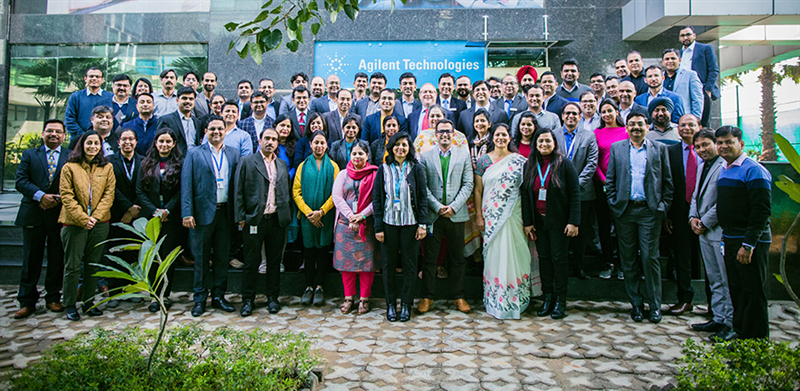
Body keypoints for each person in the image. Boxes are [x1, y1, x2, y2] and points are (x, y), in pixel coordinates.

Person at [606, 112, 673, 324]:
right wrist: (615, 204)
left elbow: (668, 182)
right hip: (625, 211)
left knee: (649, 258)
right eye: (632, 124)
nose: (636, 127)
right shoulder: (617, 148)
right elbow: (610, 180)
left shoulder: (659, 149)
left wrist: (662, 208)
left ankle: (654, 306)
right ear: (626, 128)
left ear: (647, 126)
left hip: (649, 212)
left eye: (640, 124)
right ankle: (636, 304)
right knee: (628, 259)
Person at [715, 125, 772, 340]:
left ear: (741, 143)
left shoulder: (754, 170)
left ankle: (756, 342)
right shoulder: (726, 168)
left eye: (728, 142)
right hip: (730, 239)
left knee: (754, 293)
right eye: (719, 142)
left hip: (748, 243)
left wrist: (748, 244)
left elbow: (761, 210)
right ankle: (740, 333)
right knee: (737, 291)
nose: (723, 146)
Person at [181, 115, 241, 317]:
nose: (216, 132)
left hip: (225, 212)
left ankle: (218, 296)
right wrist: (187, 212)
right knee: (201, 258)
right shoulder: (194, 153)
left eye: (220, 128)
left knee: (222, 257)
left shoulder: (234, 153)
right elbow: (186, 184)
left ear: (225, 131)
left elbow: (237, 186)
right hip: (201, 214)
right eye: (212, 129)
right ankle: (199, 299)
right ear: (205, 131)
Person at [13, 120, 70, 319]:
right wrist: (41, 196)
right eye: (50, 131)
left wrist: (58, 199)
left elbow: (75, 183)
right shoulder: (30, 155)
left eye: (58, 132)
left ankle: (53, 297)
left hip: (59, 214)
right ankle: (27, 301)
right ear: (43, 133)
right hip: (33, 212)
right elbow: (21, 181)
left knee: (57, 258)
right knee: (31, 258)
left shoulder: (69, 156)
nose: (54, 134)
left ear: (64, 136)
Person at [522, 128, 580, 319]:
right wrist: (528, 222)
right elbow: (525, 195)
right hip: (539, 222)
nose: (544, 145)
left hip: (560, 222)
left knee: (559, 259)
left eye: (548, 141)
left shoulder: (565, 165)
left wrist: (573, 222)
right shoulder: (530, 165)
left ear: (554, 143)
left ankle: (560, 301)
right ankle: (548, 298)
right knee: (544, 259)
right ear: (535, 145)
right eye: (540, 142)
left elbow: (575, 194)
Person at [473, 124, 530, 320]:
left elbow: (525, 191)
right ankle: (495, 299)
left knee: (515, 252)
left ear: (509, 138)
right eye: (497, 135)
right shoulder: (483, 161)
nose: (500, 138)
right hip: (491, 216)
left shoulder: (519, 161)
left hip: (513, 214)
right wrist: (479, 216)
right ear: (492, 137)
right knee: (495, 255)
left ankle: (515, 298)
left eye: (504, 135)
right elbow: (478, 191)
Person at [418, 119, 474, 314]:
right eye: (440, 131)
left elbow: (468, 184)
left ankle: (459, 296)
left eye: (448, 131)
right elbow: (422, 186)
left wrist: (453, 206)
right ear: (435, 135)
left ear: (453, 134)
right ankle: (427, 297)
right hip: (434, 215)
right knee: (430, 258)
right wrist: (438, 206)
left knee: (458, 258)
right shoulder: (425, 157)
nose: (444, 134)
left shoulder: (463, 155)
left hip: (456, 214)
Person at [235, 127, 293, 316]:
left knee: (274, 261)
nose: (270, 142)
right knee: (251, 261)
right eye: (266, 138)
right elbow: (238, 192)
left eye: (274, 139)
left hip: (276, 219)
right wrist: (241, 218)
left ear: (278, 143)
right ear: (259, 141)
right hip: (254, 220)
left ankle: (272, 298)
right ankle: (248, 300)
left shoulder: (282, 164)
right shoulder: (247, 162)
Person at [59, 130, 116, 321]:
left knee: (93, 265)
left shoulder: (106, 167)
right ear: (82, 145)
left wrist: (96, 217)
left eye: (96, 144)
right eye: (89, 143)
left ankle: (89, 302)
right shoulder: (69, 167)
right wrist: (83, 218)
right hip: (74, 222)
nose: (92, 147)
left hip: (100, 223)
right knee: (72, 266)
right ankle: (69, 304)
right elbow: (66, 196)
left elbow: (109, 195)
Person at [373, 132, 427, 322]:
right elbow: (377, 199)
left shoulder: (416, 168)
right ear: (391, 147)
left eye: (404, 145)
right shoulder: (383, 169)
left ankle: (406, 304)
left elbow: (422, 198)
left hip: (411, 224)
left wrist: (422, 224)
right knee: (388, 265)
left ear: (409, 147)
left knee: (409, 265)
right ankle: (390, 305)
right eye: (397, 144)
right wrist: (378, 227)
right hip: (388, 224)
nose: (400, 148)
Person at [688, 128, 735, 341]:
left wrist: (704, 222)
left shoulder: (725, 165)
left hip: (718, 230)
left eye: (706, 144)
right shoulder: (701, 166)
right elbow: (696, 196)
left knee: (726, 279)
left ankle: (730, 323)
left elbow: (723, 201)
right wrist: (692, 218)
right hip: (703, 230)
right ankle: (717, 317)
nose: (701, 149)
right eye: (697, 146)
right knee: (713, 277)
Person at [136, 128, 182, 312]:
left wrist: (167, 210)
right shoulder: (145, 164)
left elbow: (181, 191)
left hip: (171, 218)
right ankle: (154, 296)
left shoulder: (180, 164)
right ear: (155, 143)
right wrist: (154, 211)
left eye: (168, 142)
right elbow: (139, 191)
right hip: (151, 217)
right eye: (161, 141)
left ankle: (165, 294)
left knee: (167, 256)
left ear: (174, 144)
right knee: (153, 256)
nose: (164, 145)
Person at [331, 140, 378, 315]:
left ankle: (364, 300)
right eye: (354, 153)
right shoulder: (343, 174)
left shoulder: (375, 174)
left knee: (367, 264)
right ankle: (348, 297)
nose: (357, 156)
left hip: (367, 225)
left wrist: (362, 216)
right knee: (346, 264)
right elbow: (337, 197)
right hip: (345, 225)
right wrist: (351, 216)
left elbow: (377, 199)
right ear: (350, 156)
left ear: (367, 156)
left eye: (361, 153)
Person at [294, 131, 340, 307]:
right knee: (309, 251)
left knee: (322, 252)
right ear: (311, 144)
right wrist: (308, 213)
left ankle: (320, 287)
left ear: (327, 145)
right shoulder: (302, 166)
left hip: (325, 217)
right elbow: (296, 192)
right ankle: (308, 287)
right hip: (307, 218)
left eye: (322, 143)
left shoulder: (333, 167)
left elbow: (335, 193)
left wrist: (321, 211)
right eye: (316, 142)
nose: (319, 146)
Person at [553, 102, 599, 279]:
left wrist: (575, 186)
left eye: (574, 113)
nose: (571, 116)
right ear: (562, 116)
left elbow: (592, 163)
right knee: (560, 232)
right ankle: (562, 267)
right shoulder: (554, 135)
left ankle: (579, 266)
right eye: (567, 113)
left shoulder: (589, 136)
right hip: (558, 192)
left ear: (580, 116)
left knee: (581, 232)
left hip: (583, 192)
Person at [664, 114, 702, 316]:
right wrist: (667, 215)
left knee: (709, 261)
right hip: (679, 212)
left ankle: (716, 304)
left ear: (699, 126)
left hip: (706, 214)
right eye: (682, 125)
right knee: (682, 258)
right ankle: (685, 299)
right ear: (677, 129)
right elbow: (666, 184)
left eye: (691, 125)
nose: (686, 128)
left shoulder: (708, 151)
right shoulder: (670, 152)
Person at [106, 128, 143, 308]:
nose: (127, 142)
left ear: (136, 141)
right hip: (117, 214)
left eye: (131, 139)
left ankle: (133, 289)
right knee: (115, 252)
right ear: (118, 141)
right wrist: (127, 208)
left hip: (137, 215)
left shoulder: (143, 161)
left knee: (134, 253)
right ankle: (115, 292)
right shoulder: (108, 162)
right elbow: (109, 188)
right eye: (124, 139)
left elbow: (145, 187)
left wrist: (134, 209)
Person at [594, 99, 629, 280]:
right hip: (602, 185)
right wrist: (603, 180)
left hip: (623, 185)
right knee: (604, 226)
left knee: (622, 226)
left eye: (609, 111)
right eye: (603, 112)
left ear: (617, 111)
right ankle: (607, 262)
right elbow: (595, 160)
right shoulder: (597, 133)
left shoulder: (626, 132)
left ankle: (623, 263)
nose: (606, 115)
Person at [679, 26, 720, 127]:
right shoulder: (679, 54)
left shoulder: (705, 49)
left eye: (688, 34)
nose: (685, 37)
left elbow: (714, 70)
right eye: (682, 35)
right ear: (679, 38)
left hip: (702, 90)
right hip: (684, 91)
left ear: (694, 35)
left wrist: (707, 90)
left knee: (704, 122)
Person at [64, 68, 113, 149]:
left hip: (104, 142)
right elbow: (69, 120)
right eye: (91, 76)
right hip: (78, 141)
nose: (94, 79)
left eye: (97, 76)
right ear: (85, 79)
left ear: (102, 80)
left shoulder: (110, 97)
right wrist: (85, 137)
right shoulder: (76, 96)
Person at [157, 86, 202, 157]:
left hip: (195, 160)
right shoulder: (166, 120)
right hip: (174, 161)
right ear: (177, 100)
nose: (188, 101)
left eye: (191, 99)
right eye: (184, 98)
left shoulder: (197, 122)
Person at [662, 49, 704, 121]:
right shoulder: (659, 77)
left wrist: (695, 120)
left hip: (684, 119)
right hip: (664, 119)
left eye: (673, 58)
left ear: (680, 60)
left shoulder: (690, 75)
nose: (670, 61)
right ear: (663, 62)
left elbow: (698, 99)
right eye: (667, 59)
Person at [273, 114, 299, 179]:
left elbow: (295, 166)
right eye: (282, 125)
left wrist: (287, 177)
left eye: (288, 126)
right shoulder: (269, 143)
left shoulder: (295, 145)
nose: (285, 129)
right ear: (275, 126)